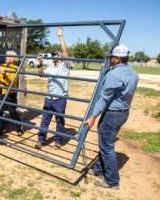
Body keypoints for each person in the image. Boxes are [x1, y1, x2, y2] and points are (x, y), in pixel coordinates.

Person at [85, 44, 139, 189]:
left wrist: (93, 116)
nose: (110, 59)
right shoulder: (133, 73)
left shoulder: (114, 74)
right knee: (106, 143)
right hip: (123, 113)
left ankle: (112, 181)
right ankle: (98, 170)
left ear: (117, 58)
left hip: (112, 114)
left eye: (111, 57)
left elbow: (104, 98)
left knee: (107, 146)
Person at [35, 27, 72, 150]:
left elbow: (65, 52)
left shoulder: (66, 65)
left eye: (59, 54)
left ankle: (58, 141)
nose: (57, 55)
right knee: (45, 120)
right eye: (55, 54)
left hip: (60, 98)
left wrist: (60, 37)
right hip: (49, 97)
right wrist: (40, 63)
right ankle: (40, 140)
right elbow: (41, 74)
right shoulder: (51, 65)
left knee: (59, 120)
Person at [0, 50, 23, 136]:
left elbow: (11, 83)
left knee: (12, 111)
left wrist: (4, 75)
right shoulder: (2, 66)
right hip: (0, 92)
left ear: (13, 59)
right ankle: (0, 130)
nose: (7, 57)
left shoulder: (15, 69)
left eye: (9, 56)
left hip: (10, 93)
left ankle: (19, 127)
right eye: (6, 56)